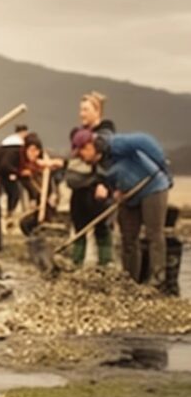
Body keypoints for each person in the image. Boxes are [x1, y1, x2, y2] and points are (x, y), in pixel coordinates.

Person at [72, 128, 172, 290]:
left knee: (154, 234)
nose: (81, 157)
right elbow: (111, 181)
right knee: (128, 238)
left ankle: (158, 279)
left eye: (82, 151)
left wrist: (162, 165)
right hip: (130, 196)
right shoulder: (98, 166)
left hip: (152, 187)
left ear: (90, 145)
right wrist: (112, 191)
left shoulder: (115, 144)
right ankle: (130, 280)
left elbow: (145, 140)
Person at [0, 133, 50, 255]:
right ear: (26, 148)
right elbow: (5, 166)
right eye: (32, 150)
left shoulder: (23, 164)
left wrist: (36, 199)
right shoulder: (14, 153)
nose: (34, 154)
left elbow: (24, 182)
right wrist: (20, 173)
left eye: (37, 151)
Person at [65, 91, 115, 266]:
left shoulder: (106, 133)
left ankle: (105, 266)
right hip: (80, 188)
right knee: (79, 226)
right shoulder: (79, 134)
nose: (81, 114)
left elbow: (108, 161)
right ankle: (76, 264)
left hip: (97, 189)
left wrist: (104, 184)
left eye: (86, 110)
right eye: (81, 110)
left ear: (97, 111)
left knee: (101, 228)